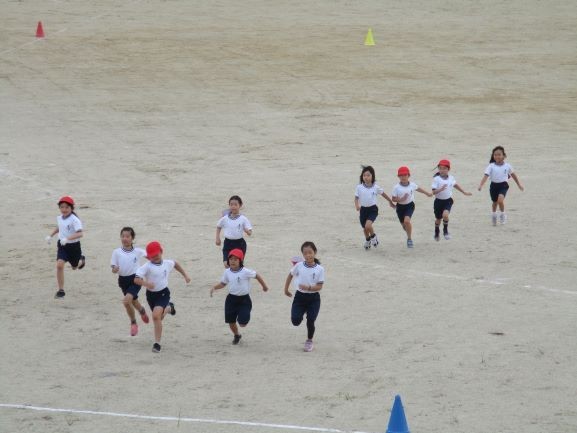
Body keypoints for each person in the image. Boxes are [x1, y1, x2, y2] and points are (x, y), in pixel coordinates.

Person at [134, 241, 191, 353]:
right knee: (159, 318)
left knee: (155, 316)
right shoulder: (147, 266)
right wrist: (146, 284)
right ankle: (169, 308)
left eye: (157, 255)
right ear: (148, 257)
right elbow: (136, 279)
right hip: (151, 295)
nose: (155, 257)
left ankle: (157, 344)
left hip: (164, 293)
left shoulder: (167, 263)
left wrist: (185, 275)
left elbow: (175, 264)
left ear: (161, 252)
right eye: (152, 256)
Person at [210, 249, 269, 345]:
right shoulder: (227, 272)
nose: (232, 261)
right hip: (231, 300)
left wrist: (264, 286)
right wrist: (214, 287)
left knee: (242, 323)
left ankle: (242, 316)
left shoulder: (245, 271)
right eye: (231, 259)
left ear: (240, 261)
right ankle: (237, 335)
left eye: (235, 259)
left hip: (244, 300)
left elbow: (256, 275)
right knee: (231, 321)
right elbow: (223, 283)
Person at [284, 241, 324, 352]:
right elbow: (290, 275)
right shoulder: (299, 265)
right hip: (300, 298)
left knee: (310, 321)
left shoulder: (320, 269)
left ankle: (309, 340)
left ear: (315, 252)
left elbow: (319, 286)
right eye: (305, 253)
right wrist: (286, 289)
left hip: (313, 299)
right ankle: (302, 312)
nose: (308, 255)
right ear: (303, 255)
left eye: (310, 252)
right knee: (295, 321)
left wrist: (309, 288)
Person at [110, 227, 150, 336]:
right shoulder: (116, 252)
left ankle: (133, 323)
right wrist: (115, 269)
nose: (125, 238)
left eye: (127, 236)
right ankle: (141, 310)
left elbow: (152, 258)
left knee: (126, 301)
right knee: (133, 301)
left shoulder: (138, 251)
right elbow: (113, 268)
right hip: (123, 281)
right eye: (123, 236)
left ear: (132, 238)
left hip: (136, 279)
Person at [45, 196, 86, 298]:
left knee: (74, 267)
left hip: (74, 247)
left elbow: (80, 234)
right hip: (62, 246)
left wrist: (68, 238)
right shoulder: (59, 218)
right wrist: (50, 236)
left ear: (71, 208)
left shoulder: (74, 220)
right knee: (59, 265)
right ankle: (61, 290)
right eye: (62, 207)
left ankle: (82, 260)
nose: (64, 209)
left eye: (67, 207)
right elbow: (60, 227)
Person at [478, 146, 524, 225]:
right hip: (493, 186)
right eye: (495, 155)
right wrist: (481, 185)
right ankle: (494, 215)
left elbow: (513, 175)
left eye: (499, 154)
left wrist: (519, 185)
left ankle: (503, 214)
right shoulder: (491, 166)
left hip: (503, 185)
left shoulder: (508, 166)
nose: (497, 156)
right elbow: (486, 176)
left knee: (500, 201)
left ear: (504, 156)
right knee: (494, 202)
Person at [354, 165, 396, 250]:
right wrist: (357, 205)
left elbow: (383, 194)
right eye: (364, 175)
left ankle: (373, 237)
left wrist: (390, 201)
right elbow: (356, 198)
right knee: (364, 228)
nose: (366, 177)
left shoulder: (376, 187)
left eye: (368, 175)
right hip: (363, 210)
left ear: (372, 176)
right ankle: (367, 240)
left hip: (373, 209)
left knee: (368, 225)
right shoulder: (359, 187)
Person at [391, 166, 433, 248]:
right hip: (400, 207)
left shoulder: (412, 185)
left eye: (405, 175)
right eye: (401, 175)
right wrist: (401, 199)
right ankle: (408, 232)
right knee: (404, 226)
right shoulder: (396, 187)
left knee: (407, 221)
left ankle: (409, 239)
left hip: (410, 206)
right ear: (398, 177)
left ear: (408, 175)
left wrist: (427, 193)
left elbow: (418, 189)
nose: (403, 177)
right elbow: (393, 199)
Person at [431, 159, 472, 241]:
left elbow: (455, 185)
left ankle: (445, 231)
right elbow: (433, 192)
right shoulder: (436, 179)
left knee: (445, 215)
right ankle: (436, 231)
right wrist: (440, 189)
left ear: (448, 169)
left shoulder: (451, 178)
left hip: (448, 201)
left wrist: (464, 192)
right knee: (438, 219)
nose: (442, 170)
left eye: (444, 168)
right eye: (440, 168)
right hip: (438, 202)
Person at [216, 195, 253, 267]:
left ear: (240, 205)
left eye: (235, 205)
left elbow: (250, 233)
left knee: (237, 265)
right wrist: (217, 238)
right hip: (228, 243)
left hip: (239, 244)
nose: (233, 206)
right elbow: (218, 226)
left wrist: (246, 231)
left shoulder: (243, 219)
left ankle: (240, 277)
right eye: (231, 204)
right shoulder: (225, 218)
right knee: (226, 264)